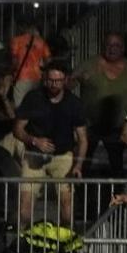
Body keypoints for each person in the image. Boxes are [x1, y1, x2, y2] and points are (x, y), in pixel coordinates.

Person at [13, 61, 88, 226]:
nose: (54, 84)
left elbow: (83, 139)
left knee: (67, 206)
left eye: (58, 80)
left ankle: (65, 245)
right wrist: (34, 140)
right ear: (45, 80)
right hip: (34, 156)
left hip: (63, 157)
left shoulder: (74, 103)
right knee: (24, 208)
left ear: (66, 80)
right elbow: (17, 129)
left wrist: (78, 166)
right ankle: (23, 246)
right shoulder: (33, 98)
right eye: (51, 80)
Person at [73, 32, 127, 176]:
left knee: (117, 167)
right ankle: (80, 196)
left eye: (117, 45)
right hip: (89, 126)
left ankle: (118, 197)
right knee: (83, 165)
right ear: (103, 46)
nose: (112, 48)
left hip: (118, 127)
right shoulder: (89, 64)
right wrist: (78, 78)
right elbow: (67, 84)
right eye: (109, 44)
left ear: (123, 48)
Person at [9, 16, 51, 107]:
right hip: (37, 78)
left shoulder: (16, 41)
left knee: (20, 106)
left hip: (21, 78)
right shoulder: (41, 42)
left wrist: (11, 73)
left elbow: (15, 62)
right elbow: (48, 61)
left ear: (21, 27)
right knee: (35, 105)